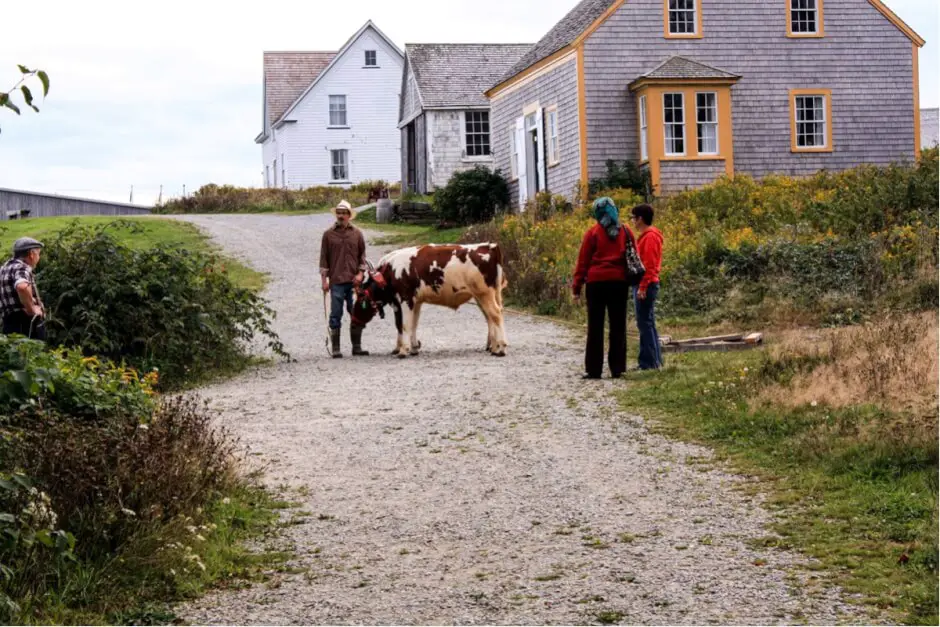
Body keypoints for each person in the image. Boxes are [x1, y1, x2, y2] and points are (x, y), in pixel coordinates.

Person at [572, 197, 632, 380]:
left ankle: (594, 369)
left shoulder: (593, 233)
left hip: (596, 284)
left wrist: (576, 288)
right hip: (619, 283)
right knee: (618, 325)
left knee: (595, 326)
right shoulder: (626, 231)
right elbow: (632, 254)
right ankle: (617, 368)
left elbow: (583, 262)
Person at [320, 200, 369, 358]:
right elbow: (323, 259)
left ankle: (357, 347)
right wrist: (324, 281)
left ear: (349, 215)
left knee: (356, 313)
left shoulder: (357, 234)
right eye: (338, 213)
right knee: (335, 313)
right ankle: (336, 348)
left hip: (354, 281)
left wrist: (361, 274)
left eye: (343, 213)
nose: (340, 216)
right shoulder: (328, 235)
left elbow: (362, 256)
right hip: (336, 281)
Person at [630, 203, 663, 370]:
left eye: (634, 218)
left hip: (647, 285)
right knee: (647, 323)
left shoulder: (649, 237)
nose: (633, 222)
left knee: (645, 323)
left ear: (640, 219)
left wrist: (642, 287)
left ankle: (650, 363)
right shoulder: (648, 236)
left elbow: (649, 265)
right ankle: (651, 360)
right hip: (647, 284)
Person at [0, 237, 47, 341]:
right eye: (38, 254)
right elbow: (21, 287)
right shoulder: (22, 267)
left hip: (8, 323)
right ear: (31, 254)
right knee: (33, 355)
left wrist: (32, 300)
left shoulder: (4, 268)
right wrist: (31, 309)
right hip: (25, 323)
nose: (38, 257)